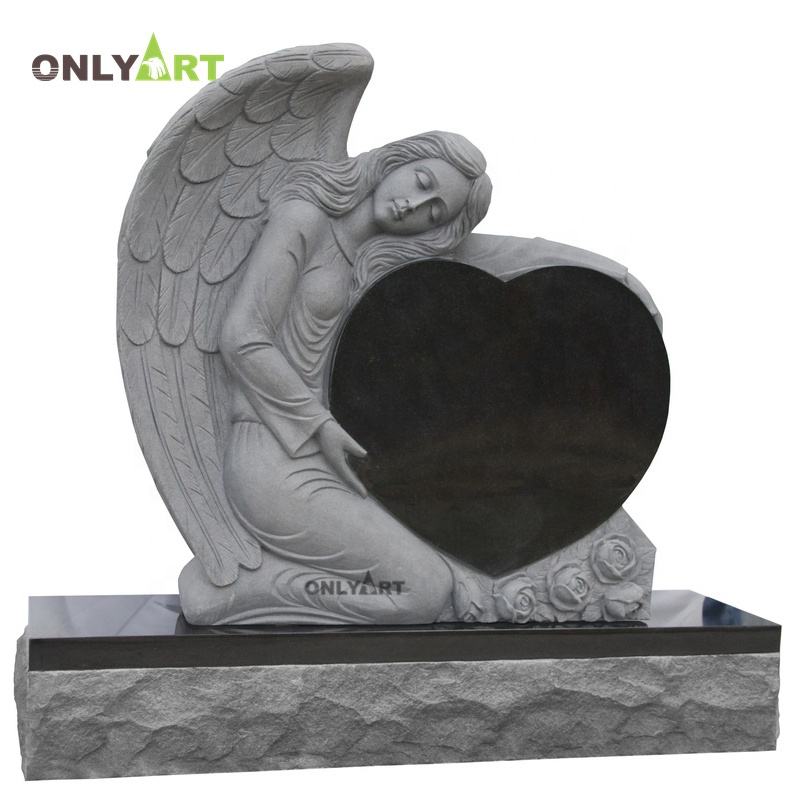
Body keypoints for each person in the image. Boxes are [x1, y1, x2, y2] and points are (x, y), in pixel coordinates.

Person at [215, 132, 493, 624]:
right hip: (273, 454)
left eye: (434, 213)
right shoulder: (304, 218)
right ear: (396, 160)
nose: (414, 206)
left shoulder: (369, 259)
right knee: (421, 591)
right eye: (421, 181)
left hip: (329, 456)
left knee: (444, 555)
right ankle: (254, 588)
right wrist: (319, 423)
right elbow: (242, 336)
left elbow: (478, 258)